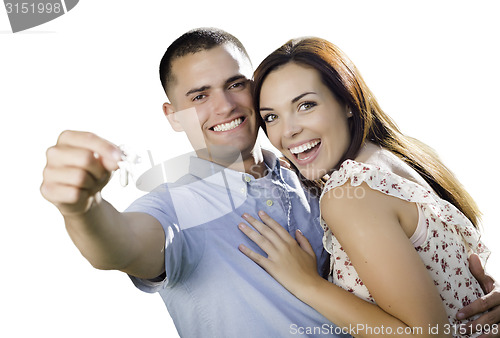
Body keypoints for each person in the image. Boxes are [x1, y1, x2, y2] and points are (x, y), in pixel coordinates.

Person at [40, 28, 499, 337]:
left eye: (235, 84)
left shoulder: (315, 172)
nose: (224, 106)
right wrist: (82, 209)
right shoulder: (172, 204)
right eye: (199, 96)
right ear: (172, 115)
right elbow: (119, 245)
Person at [238, 37, 500, 337]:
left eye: (306, 105)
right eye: (271, 117)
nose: (288, 131)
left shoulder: (349, 192)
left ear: (348, 102)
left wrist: (307, 283)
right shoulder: (396, 159)